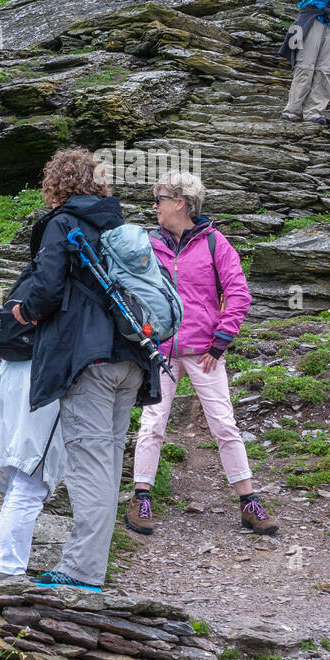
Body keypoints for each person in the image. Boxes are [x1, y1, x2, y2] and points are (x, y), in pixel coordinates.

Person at [10, 148, 160, 592]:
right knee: (109, 463)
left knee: (90, 465)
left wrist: (23, 311)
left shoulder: (63, 223)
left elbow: (48, 286)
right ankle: (91, 565)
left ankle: (81, 571)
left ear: (57, 183)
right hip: (132, 358)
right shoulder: (117, 223)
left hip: (89, 361)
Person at [127, 171, 278, 538]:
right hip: (159, 350)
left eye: (159, 198)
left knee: (224, 424)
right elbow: (131, 291)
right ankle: (141, 497)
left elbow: (239, 293)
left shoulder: (215, 243)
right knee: (152, 425)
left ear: (180, 203)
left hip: (204, 352)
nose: (155, 206)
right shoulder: (148, 244)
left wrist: (220, 342)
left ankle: (249, 502)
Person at [0, 349, 65, 587]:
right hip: (45, 378)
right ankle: (6, 569)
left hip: (14, 371)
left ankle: (4, 566)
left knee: (20, 476)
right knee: (31, 478)